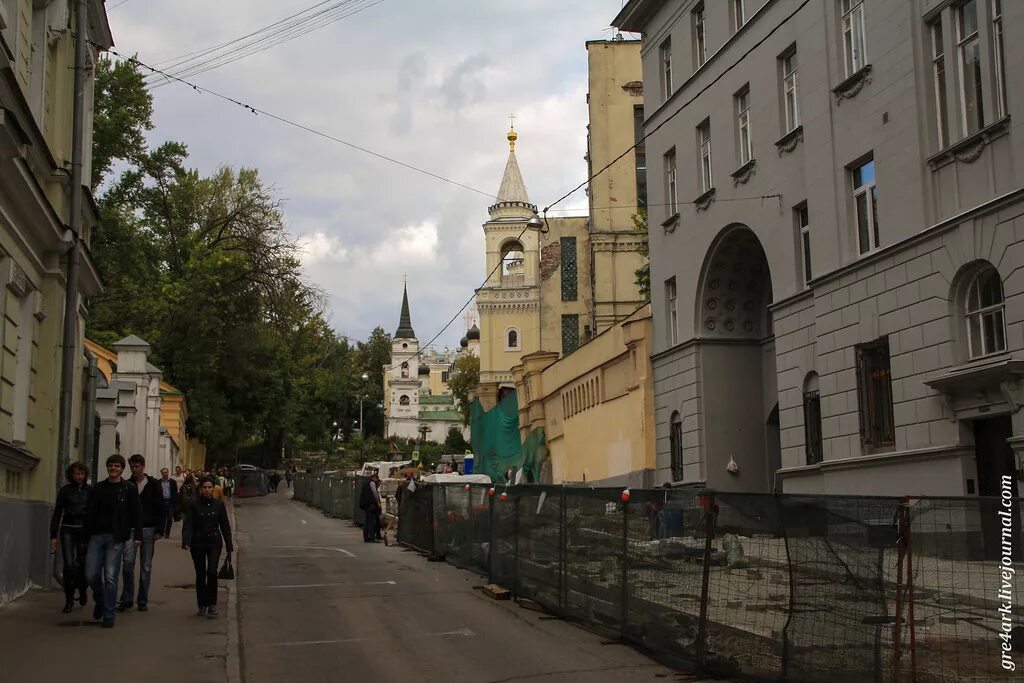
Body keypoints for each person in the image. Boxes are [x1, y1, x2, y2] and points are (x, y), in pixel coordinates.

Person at [85, 454, 143, 628]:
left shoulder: (128, 488)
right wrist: (85, 535)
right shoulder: (99, 488)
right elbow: (90, 512)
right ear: (107, 467)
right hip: (96, 536)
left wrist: (138, 535)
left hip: (116, 537)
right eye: (111, 465)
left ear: (122, 469)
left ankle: (109, 614)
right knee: (91, 575)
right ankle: (101, 599)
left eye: (117, 466)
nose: (113, 469)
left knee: (111, 576)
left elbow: (137, 512)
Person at [182, 476, 233, 618]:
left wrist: (229, 546)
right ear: (200, 489)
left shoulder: (219, 505)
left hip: (214, 542)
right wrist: (186, 540)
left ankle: (212, 604)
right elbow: (188, 525)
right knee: (200, 574)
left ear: (214, 489)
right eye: (204, 487)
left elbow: (225, 525)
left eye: (210, 487)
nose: (207, 490)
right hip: (198, 543)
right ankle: (202, 604)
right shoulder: (194, 505)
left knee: (212, 572)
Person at [119, 454, 163, 612]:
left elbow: (160, 507)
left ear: (143, 466)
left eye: (137, 466)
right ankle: (127, 597)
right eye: (132, 467)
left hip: (149, 529)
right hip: (131, 529)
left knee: (146, 566)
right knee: (128, 563)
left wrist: (159, 529)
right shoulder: (127, 485)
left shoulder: (153, 484)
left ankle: (142, 599)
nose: (134, 469)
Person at [50, 462, 92, 613]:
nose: (79, 477)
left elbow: (94, 512)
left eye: (82, 474)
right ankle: (69, 599)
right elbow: (57, 513)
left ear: (85, 474)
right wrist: (53, 535)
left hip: (84, 530)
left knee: (82, 565)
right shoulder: (65, 491)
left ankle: (82, 589)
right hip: (68, 529)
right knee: (68, 566)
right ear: (71, 475)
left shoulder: (90, 491)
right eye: (76, 474)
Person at [359, 471, 382, 542]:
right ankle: (371, 537)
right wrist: (378, 502)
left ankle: (367, 537)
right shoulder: (371, 483)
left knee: (368, 521)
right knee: (371, 522)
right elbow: (375, 493)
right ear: (374, 478)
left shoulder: (366, 484)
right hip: (371, 505)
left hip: (367, 505)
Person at [157, 468, 179, 539]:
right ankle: (162, 531)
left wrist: (175, 502)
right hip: (162, 501)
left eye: (166, 472)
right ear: (161, 474)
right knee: (162, 518)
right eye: (163, 473)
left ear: (168, 473)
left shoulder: (172, 482)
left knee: (169, 518)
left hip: (170, 501)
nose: (165, 474)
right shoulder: (158, 482)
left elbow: (175, 493)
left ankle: (167, 533)